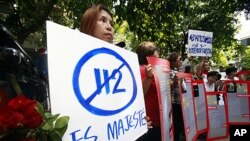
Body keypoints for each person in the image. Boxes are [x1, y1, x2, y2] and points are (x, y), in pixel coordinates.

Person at [135, 41, 161, 141]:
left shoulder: (155, 70)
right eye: (156, 51)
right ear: (148, 54)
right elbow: (140, 95)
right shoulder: (142, 69)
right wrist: (149, 77)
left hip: (158, 119)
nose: (158, 54)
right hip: (149, 122)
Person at [167, 52, 185, 141]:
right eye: (180, 59)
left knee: (179, 124)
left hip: (181, 102)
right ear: (173, 62)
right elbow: (167, 88)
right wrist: (174, 83)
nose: (181, 61)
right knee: (176, 125)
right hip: (174, 103)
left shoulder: (178, 72)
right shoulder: (168, 72)